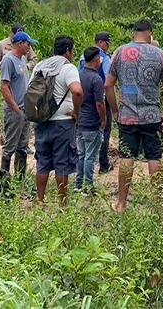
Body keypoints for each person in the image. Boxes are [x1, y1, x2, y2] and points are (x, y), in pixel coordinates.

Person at [105, 19, 163, 213]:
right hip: (152, 116)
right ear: (150, 32)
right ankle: (158, 205)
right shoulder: (160, 54)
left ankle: (121, 203)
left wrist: (115, 111)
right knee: (154, 158)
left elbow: (108, 85)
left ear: (133, 33)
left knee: (127, 157)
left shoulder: (119, 52)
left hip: (127, 116)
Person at [32, 35, 83, 207]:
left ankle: (40, 200)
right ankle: (62, 203)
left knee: (43, 162)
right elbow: (77, 91)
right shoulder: (68, 68)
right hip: (63, 123)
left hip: (41, 121)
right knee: (62, 164)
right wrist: (76, 112)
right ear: (68, 51)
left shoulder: (40, 66)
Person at [0, 31, 37, 191]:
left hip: (24, 109)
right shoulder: (8, 60)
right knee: (10, 146)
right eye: (28, 43)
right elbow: (4, 86)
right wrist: (15, 108)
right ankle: (4, 179)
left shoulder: (22, 59)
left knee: (22, 146)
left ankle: (20, 178)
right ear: (20, 43)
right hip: (15, 111)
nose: (30, 47)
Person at [78, 31, 113, 174]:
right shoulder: (104, 58)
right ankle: (103, 163)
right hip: (99, 96)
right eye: (107, 42)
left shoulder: (83, 56)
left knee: (82, 146)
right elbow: (108, 81)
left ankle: (80, 181)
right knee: (103, 128)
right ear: (100, 42)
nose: (108, 46)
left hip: (83, 96)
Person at [75, 47, 107, 192]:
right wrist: (103, 118)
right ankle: (88, 186)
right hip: (92, 123)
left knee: (81, 154)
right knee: (90, 156)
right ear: (96, 60)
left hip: (80, 121)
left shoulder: (78, 75)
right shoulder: (96, 79)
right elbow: (99, 103)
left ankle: (78, 184)